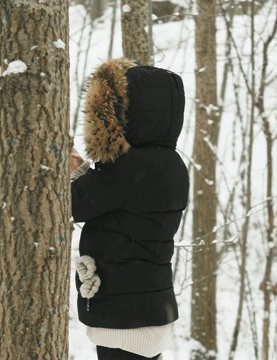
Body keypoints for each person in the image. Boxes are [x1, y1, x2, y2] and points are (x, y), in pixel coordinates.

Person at [70, 58, 189, 360]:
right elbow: (117, 203)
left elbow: (73, 204)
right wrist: (84, 171)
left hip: (125, 318)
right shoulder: (172, 164)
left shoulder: (129, 166)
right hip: (150, 309)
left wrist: (73, 170)